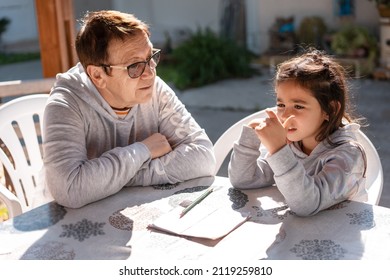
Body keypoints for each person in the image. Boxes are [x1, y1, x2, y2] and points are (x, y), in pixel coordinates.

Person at [42, 10, 216, 208]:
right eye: (134, 66)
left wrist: (119, 177)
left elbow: (203, 157)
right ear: (98, 75)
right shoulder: (65, 104)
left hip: (135, 210)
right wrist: (144, 150)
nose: (150, 73)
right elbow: (70, 190)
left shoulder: (155, 90)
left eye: (151, 57)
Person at [228, 49, 367, 216]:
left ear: (330, 109)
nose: (285, 115)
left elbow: (307, 204)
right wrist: (250, 137)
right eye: (281, 105)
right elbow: (243, 180)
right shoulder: (292, 143)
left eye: (299, 106)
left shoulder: (348, 154)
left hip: (342, 235)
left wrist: (279, 150)